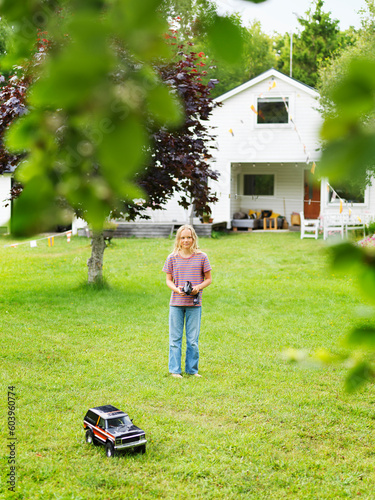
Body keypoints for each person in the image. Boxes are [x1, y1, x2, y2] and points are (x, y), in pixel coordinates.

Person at [163, 224, 212, 378]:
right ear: (178, 239)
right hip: (176, 304)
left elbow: (208, 279)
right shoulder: (172, 258)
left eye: (188, 237)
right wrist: (177, 289)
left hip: (194, 304)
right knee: (175, 338)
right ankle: (175, 370)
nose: (186, 240)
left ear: (193, 238)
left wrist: (197, 287)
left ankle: (192, 370)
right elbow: (168, 280)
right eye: (182, 237)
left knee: (192, 340)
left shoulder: (202, 257)